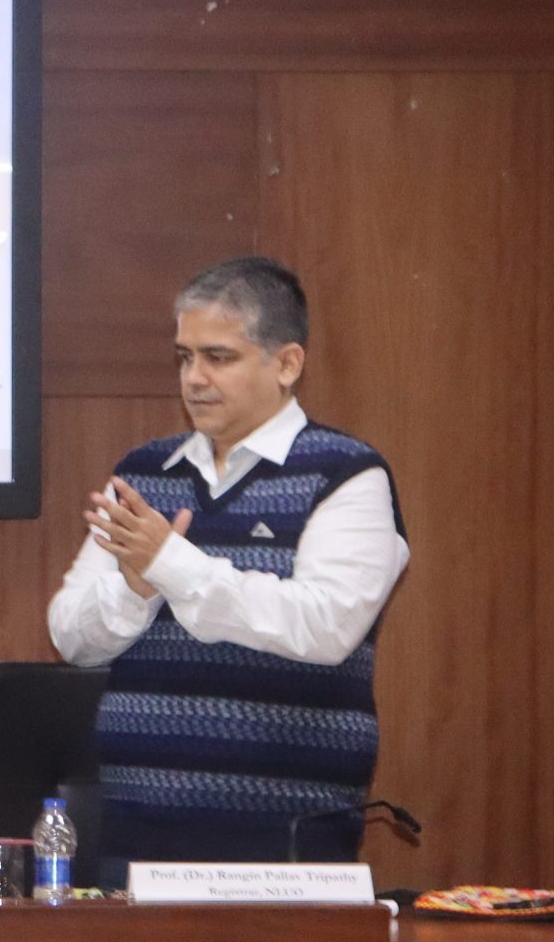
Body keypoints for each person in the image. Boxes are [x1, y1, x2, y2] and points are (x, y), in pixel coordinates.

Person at [47, 255, 409, 872]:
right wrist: (135, 592)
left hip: (287, 844)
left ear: (287, 364)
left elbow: (325, 626)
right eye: (184, 357)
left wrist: (173, 565)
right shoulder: (143, 475)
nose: (194, 379)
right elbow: (70, 638)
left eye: (218, 357)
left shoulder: (346, 474)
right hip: (136, 832)